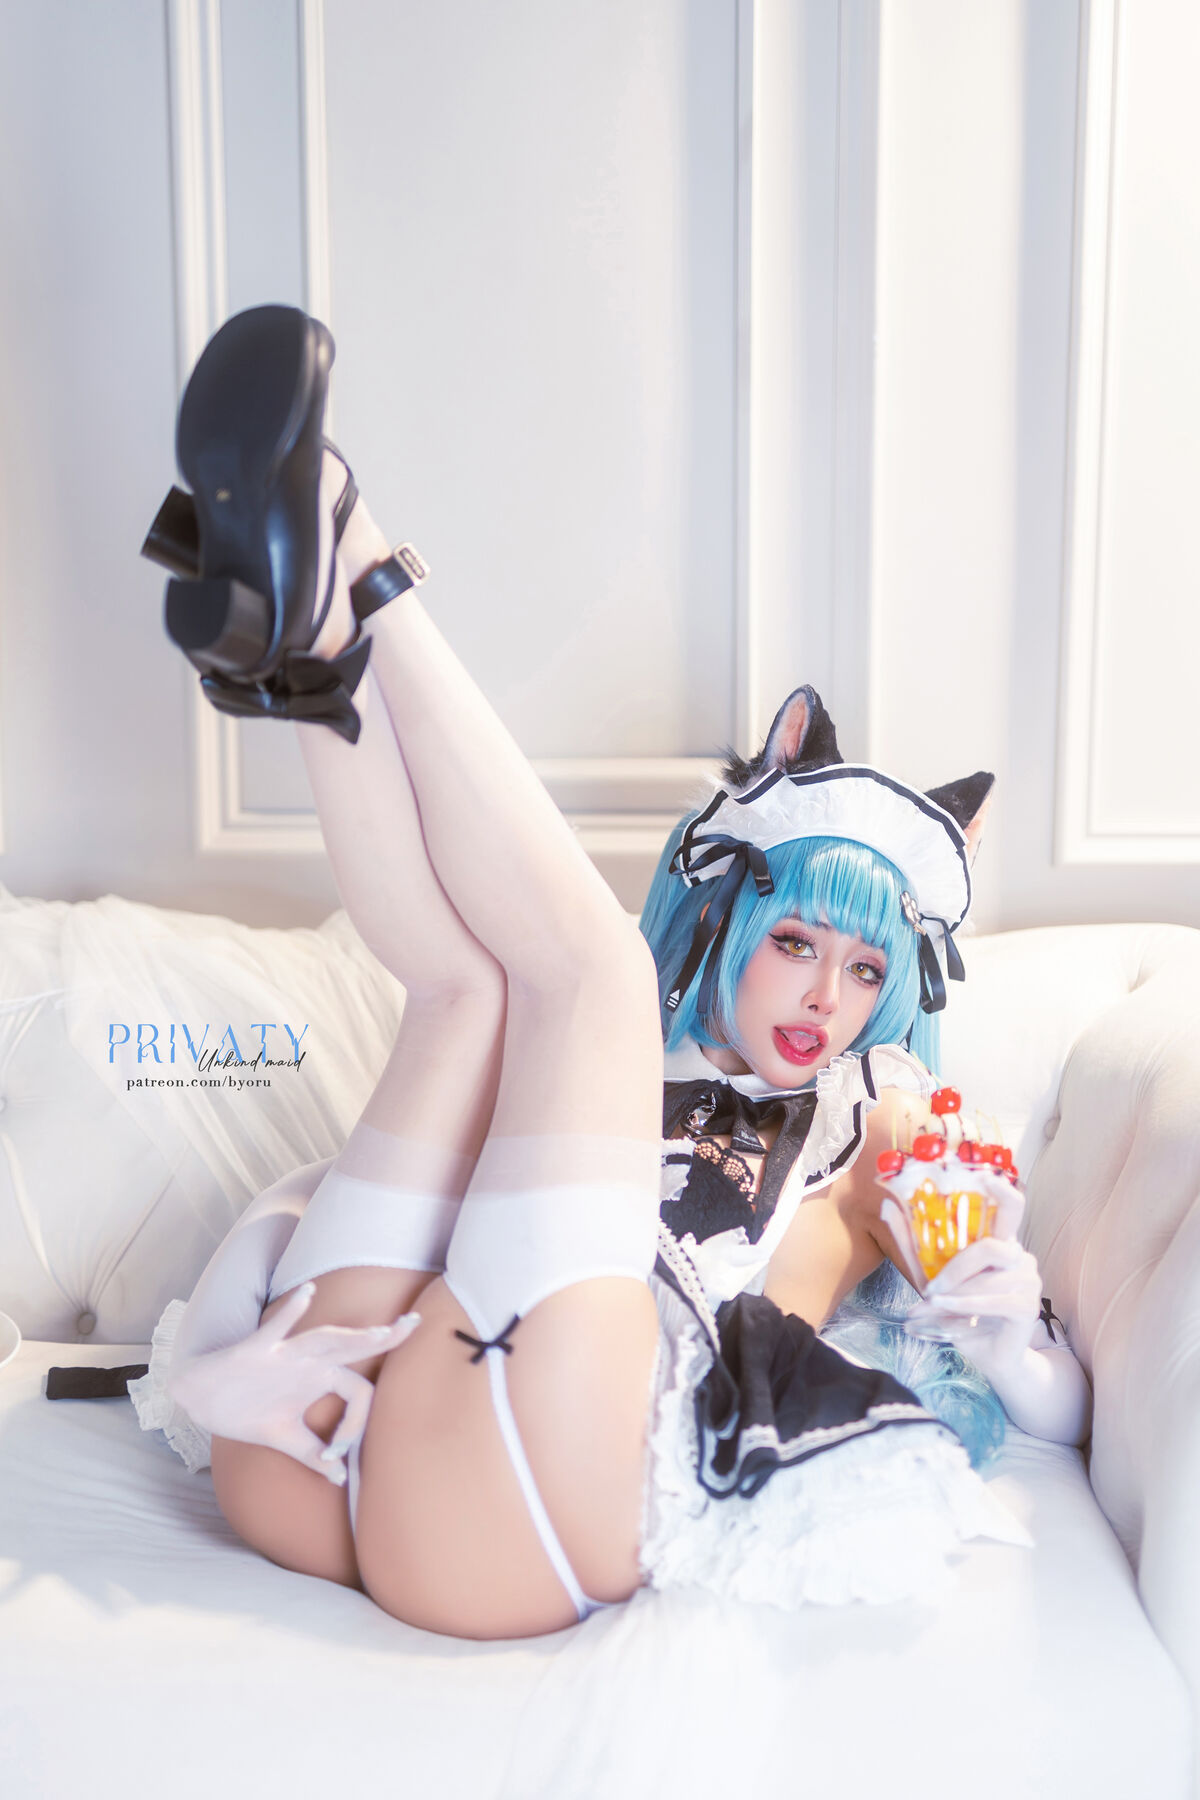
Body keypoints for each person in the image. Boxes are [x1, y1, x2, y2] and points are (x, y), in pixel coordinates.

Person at [131, 305, 1091, 1639]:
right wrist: (206, 1376)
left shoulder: (882, 1122)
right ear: (731, 927)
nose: (827, 997)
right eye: (796, 944)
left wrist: (1006, 1319)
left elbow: (1058, 1413)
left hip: (517, 1488)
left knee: (581, 978)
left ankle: (339, 538)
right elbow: (328, 1196)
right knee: (464, 993)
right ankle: (304, 643)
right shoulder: (595, 1068)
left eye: (868, 969)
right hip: (317, 1441)